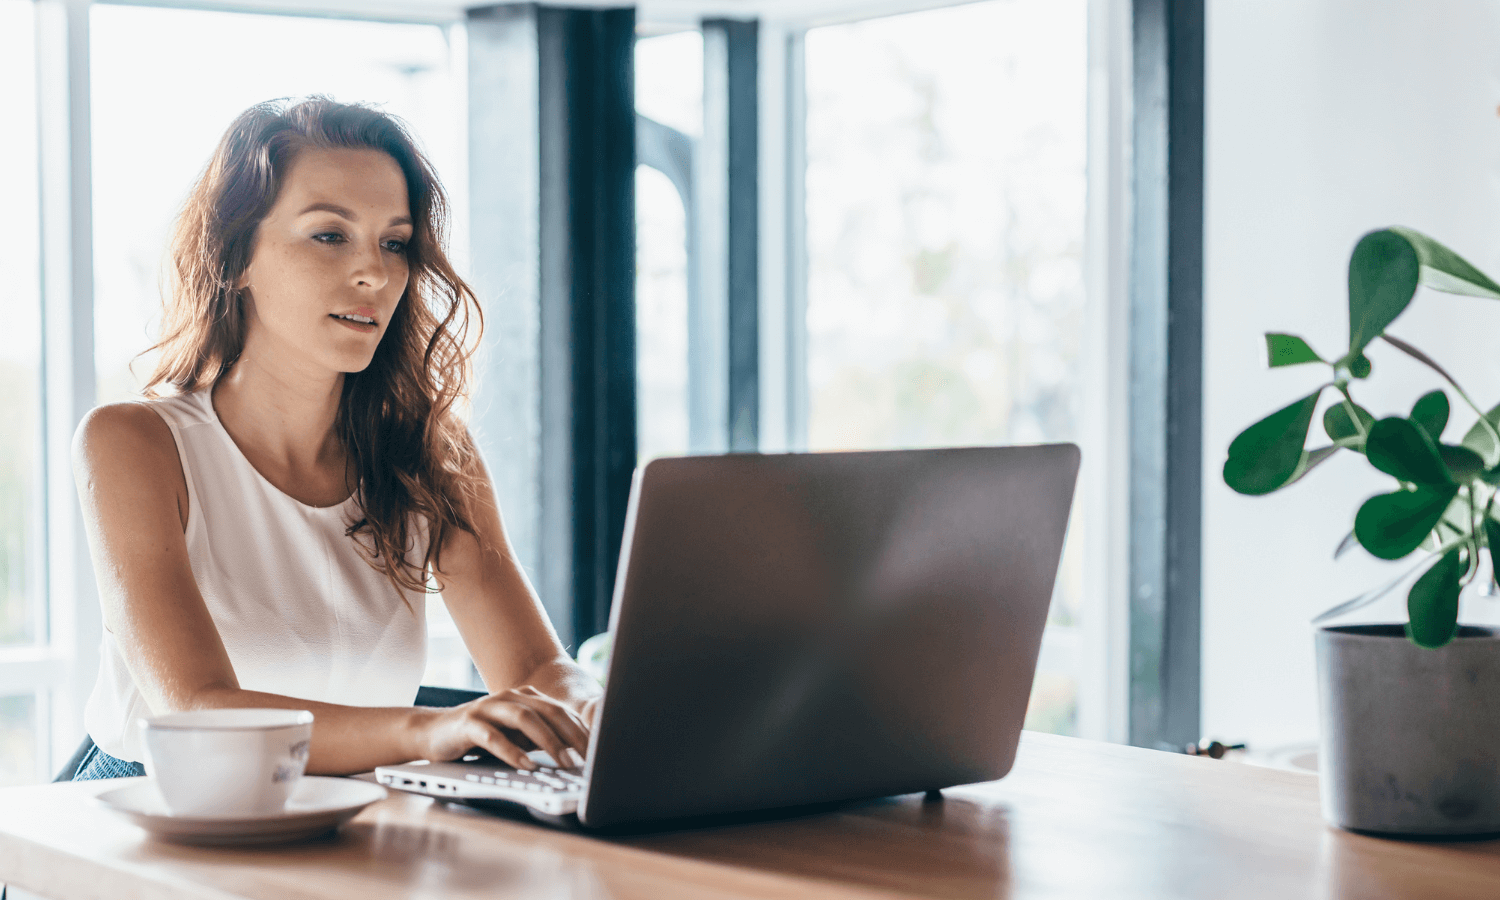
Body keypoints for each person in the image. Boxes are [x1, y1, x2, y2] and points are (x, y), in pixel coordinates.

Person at [70, 97, 601, 781]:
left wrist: (606, 710)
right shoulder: (134, 442)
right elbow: (199, 712)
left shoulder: (432, 455)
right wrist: (428, 730)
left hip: (350, 808)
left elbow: (537, 670)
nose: (374, 274)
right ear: (236, 258)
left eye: (395, 242)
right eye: (329, 235)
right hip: (151, 817)